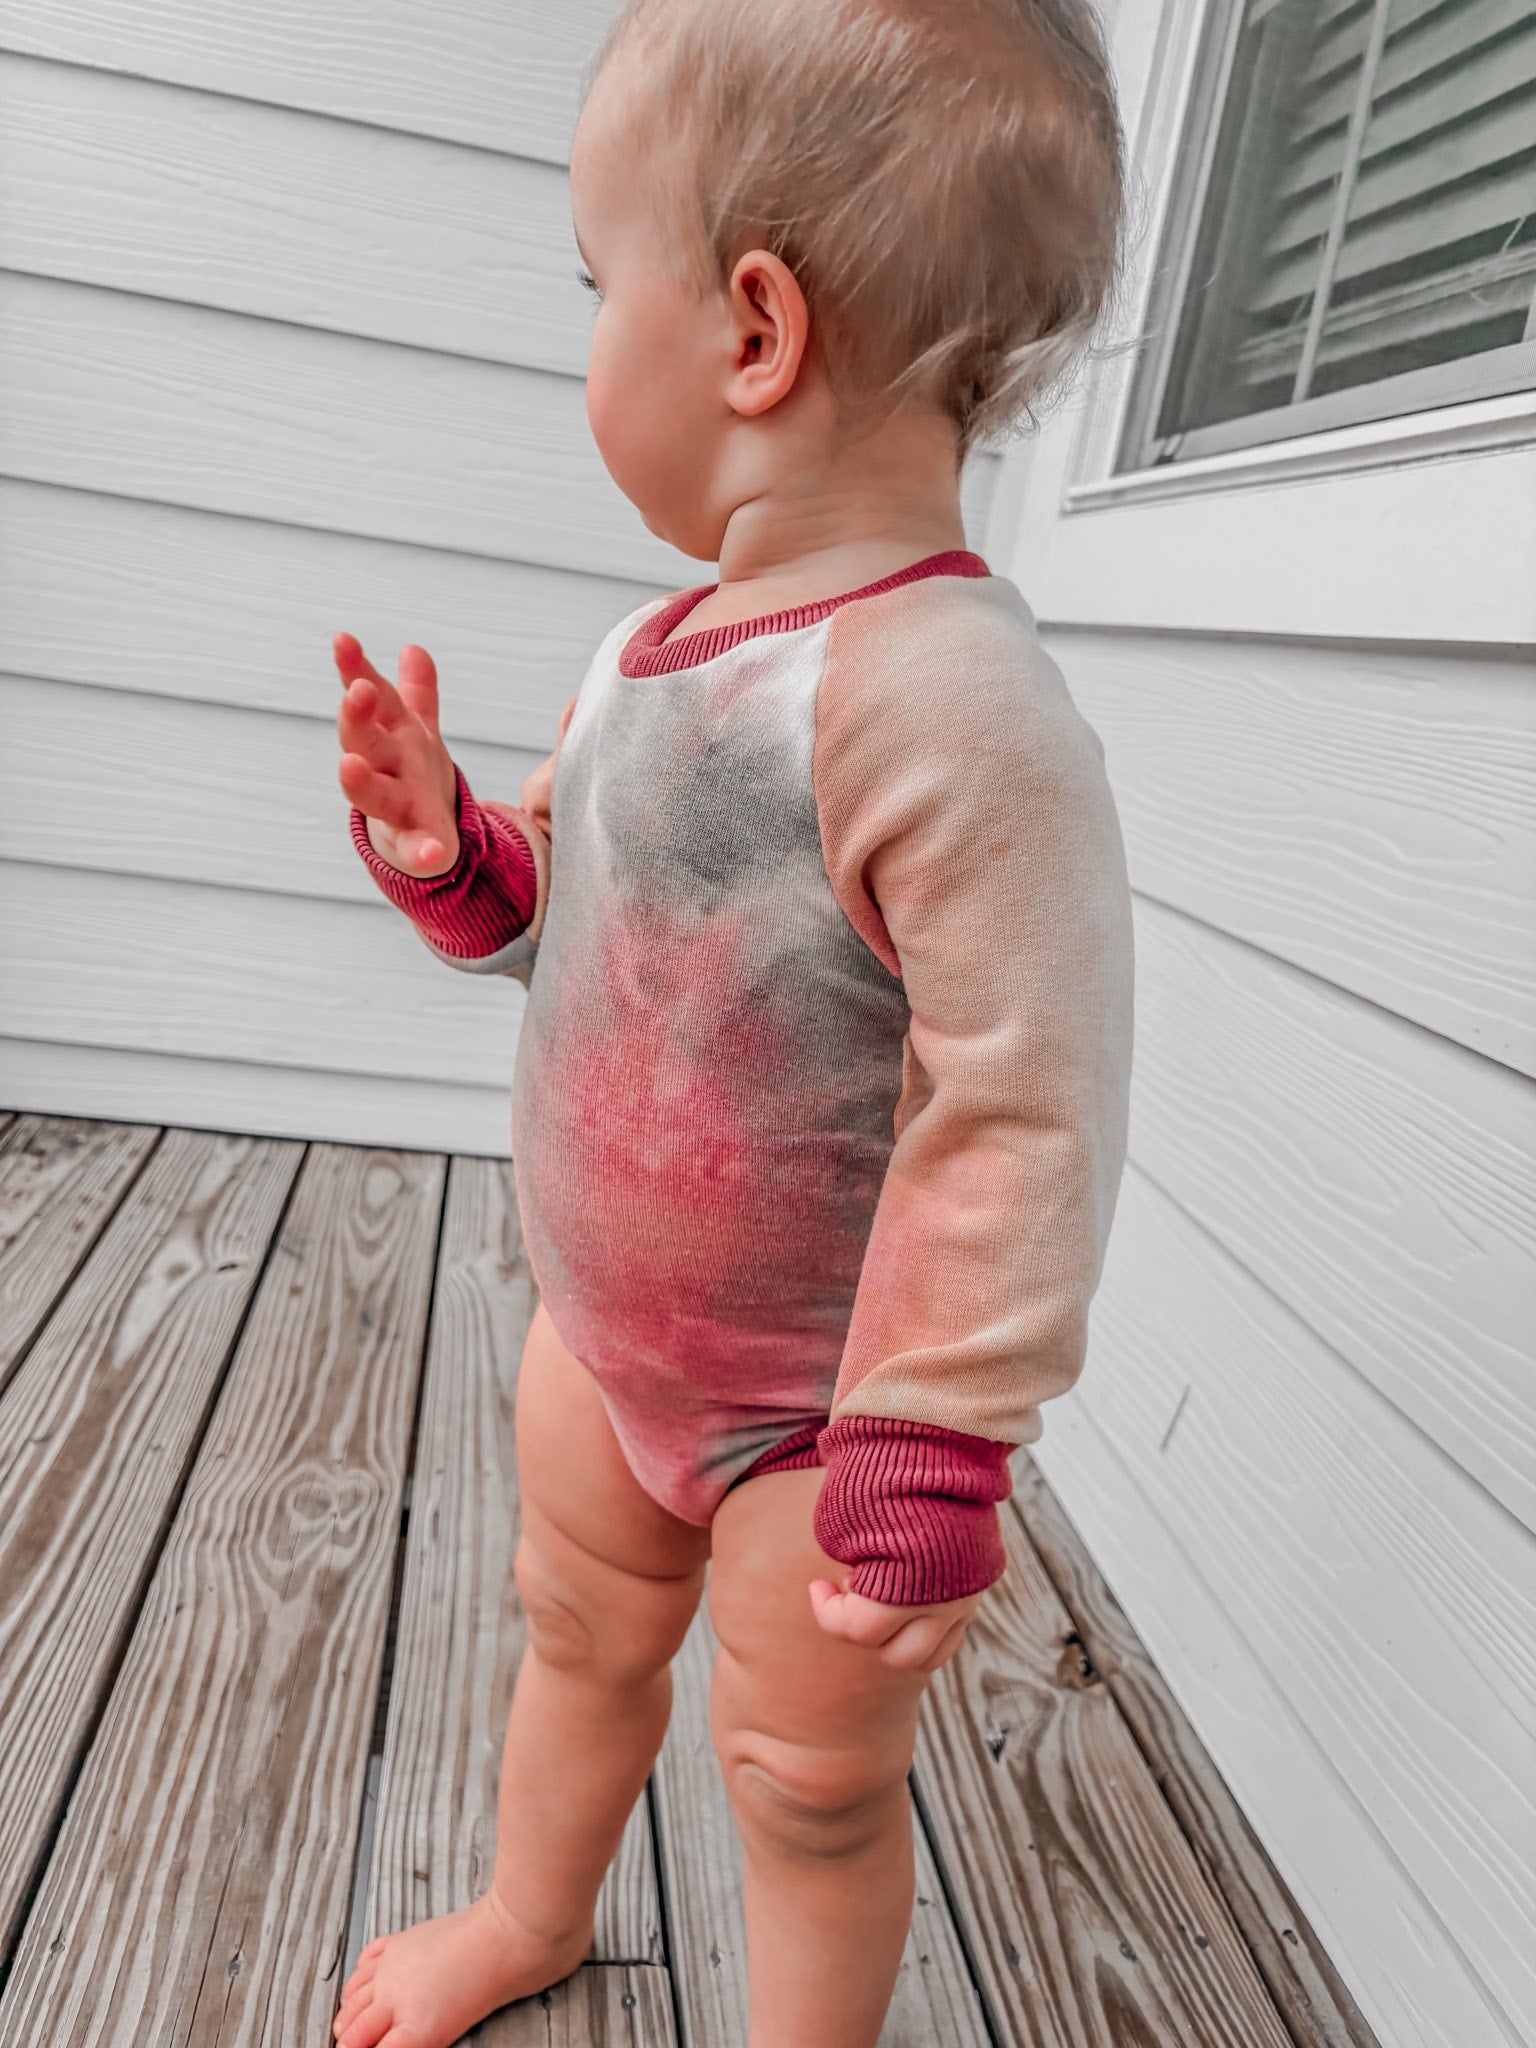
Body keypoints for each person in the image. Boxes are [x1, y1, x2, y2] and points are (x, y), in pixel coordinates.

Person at [330, 2, 1133, 2041]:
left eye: (603, 287)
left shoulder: (951, 702)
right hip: (607, 1342)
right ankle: (534, 1909)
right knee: (576, 1635)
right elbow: (584, 917)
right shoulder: (646, 649)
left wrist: (934, 1433)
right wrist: (457, 855)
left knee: (801, 1777)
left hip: (821, 1417)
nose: (590, 334)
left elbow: (1027, 1100)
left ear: (754, 332)